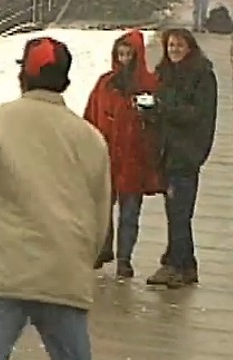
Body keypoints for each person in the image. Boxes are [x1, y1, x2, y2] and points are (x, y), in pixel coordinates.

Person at [0, 37, 111, 360]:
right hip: (64, 273)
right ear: (66, 80)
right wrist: (78, 256)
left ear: (23, 76)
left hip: (1, 272)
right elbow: (100, 218)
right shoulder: (90, 138)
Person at [84, 29, 164, 278]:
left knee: (130, 213)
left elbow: (160, 121)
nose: (125, 59)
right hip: (107, 155)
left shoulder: (150, 85)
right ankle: (103, 248)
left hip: (135, 158)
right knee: (102, 209)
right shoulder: (105, 83)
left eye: (129, 54)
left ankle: (124, 258)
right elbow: (91, 115)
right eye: (121, 54)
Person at [145, 28, 218, 288]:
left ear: (190, 47)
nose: (174, 49)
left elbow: (197, 113)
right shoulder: (164, 74)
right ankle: (182, 264)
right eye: (171, 45)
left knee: (180, 211)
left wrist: (164, 110)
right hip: (166, 151)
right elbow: (159, 106)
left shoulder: (202, 76)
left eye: (179, 45)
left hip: (186, 153)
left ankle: (177, 264)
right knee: (175, 211)